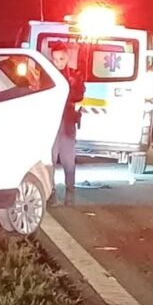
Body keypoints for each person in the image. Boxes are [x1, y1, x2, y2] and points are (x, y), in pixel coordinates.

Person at [49, 42, 86, 204]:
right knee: (49, 158)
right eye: (56, 59)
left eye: (62, 59)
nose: (59, 63)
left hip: (68, 121)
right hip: (51, 123)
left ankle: (70, 192)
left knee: (68, 158)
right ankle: (50, 192)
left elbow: (79, 95)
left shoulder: (75, 75)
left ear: (67, 56)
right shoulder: (47, 74)